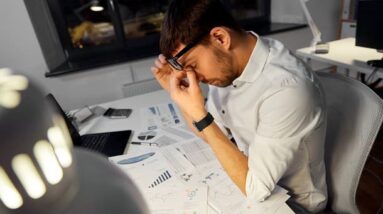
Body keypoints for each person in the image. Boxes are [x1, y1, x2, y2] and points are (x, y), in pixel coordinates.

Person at [151, 0, 327, 212]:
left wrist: (200, 115)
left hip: (292, 204)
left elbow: (256, 189)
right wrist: (176, 94)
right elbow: (212, 135)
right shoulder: (232, 64)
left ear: (220, 38)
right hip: (249, 175)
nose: (194, 78)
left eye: (193, 66)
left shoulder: (286, 90)